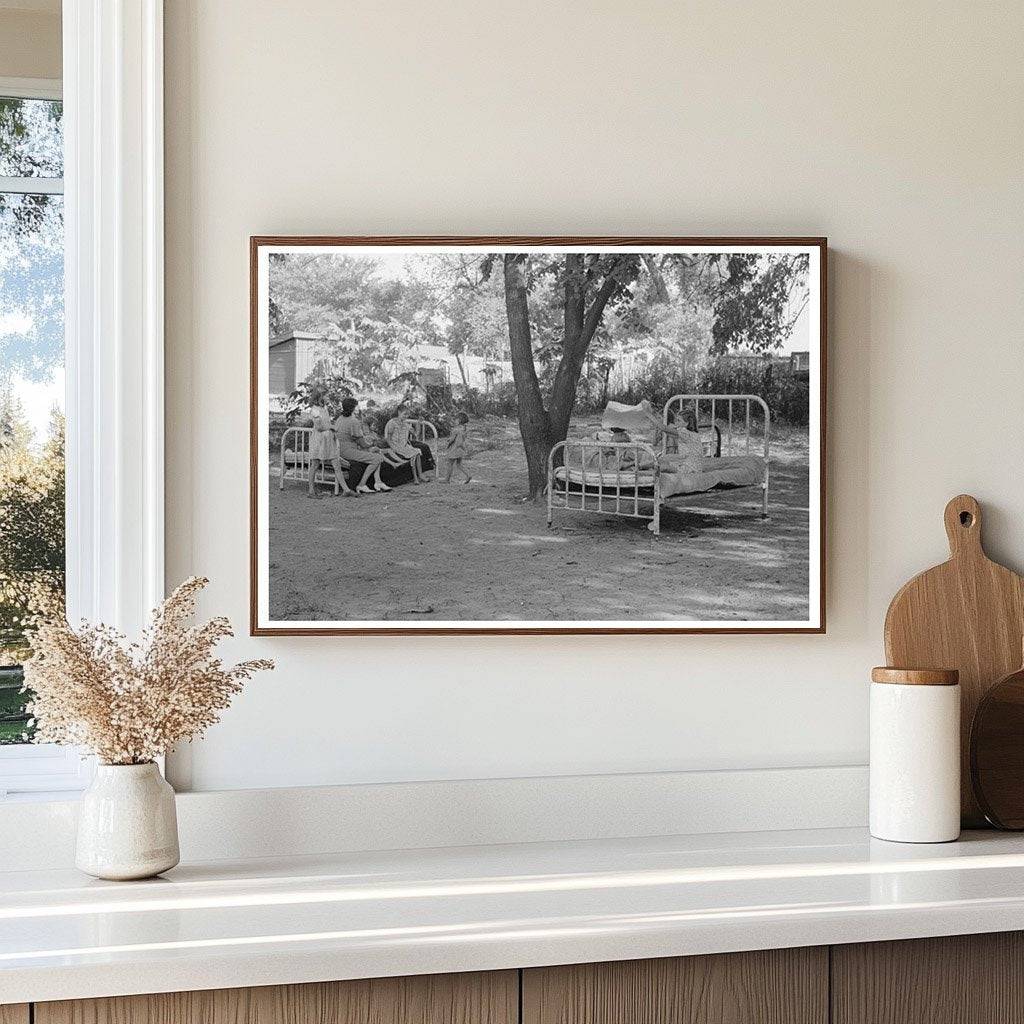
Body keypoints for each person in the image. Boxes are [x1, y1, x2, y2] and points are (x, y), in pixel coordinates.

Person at [333, 397, 391, 494]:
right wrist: (372, 443)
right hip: (347, 451)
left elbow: (354, 439)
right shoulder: (353, 421)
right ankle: (361, 484)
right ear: (353, 408)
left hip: (339, 449)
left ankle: (378, 482)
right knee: (377, 458)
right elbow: (363, 444)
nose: (358, 407)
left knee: (376, 453)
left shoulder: (340, 419)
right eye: (357, 406)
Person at [306, 388, 354, 497]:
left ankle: (346, 490)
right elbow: (319, 427)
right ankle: (311, 491)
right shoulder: (314, 409)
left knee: (336, 463)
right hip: (319, 440)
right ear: (320, 397)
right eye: (326, 396)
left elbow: (326, 423)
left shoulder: (324, 408)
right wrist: (332, 427)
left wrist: (331, 429)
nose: (328, 398)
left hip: (328, 439)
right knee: (315, 464)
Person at [384, 404, 425, 484]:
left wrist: (418, 423)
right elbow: (387, 438)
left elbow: (416, 434)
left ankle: (419, 475)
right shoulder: (392, 423)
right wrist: (393, 447)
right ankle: (416, 477)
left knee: (417, 451)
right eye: (404, 414)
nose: (406, 416)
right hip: (396, 446)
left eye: (407, 414)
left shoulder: (405, 424)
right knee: (415, 453)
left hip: (404, 446)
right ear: (399, 412)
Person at [442, 411, 472, 484]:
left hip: (454, 449)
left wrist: (447, 442)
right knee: (459, 464)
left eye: (455, 420)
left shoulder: (455, 430)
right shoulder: (464, 430)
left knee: (450, 464)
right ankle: (468, 475)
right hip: (460, 449)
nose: (454, 421)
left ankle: (447, 480)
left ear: (459, 421)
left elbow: (452, 440)